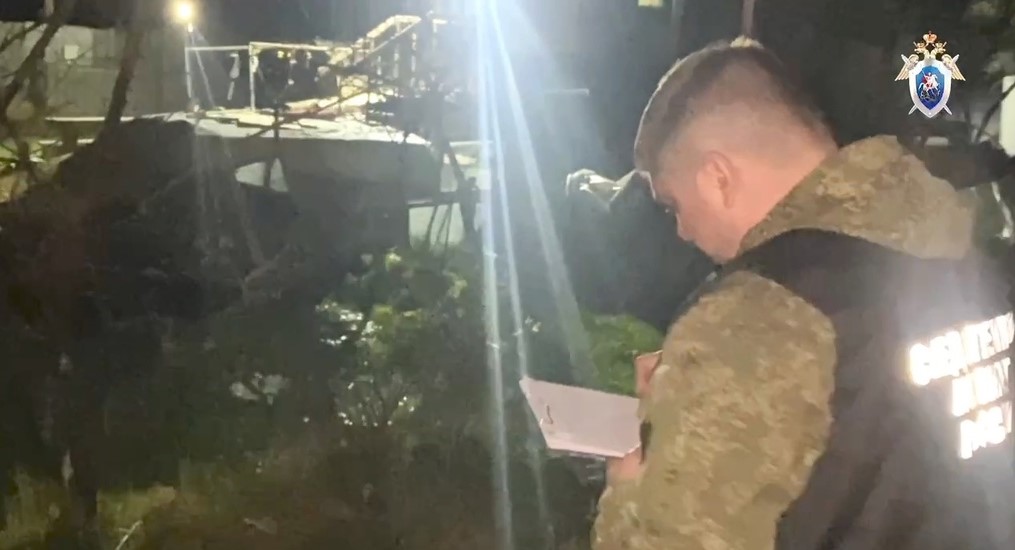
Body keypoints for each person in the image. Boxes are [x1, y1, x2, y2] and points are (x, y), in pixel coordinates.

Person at [592, 37, 1015, 549]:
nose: (682, 231)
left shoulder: (756, 313)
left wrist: (626, 489)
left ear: (718, 178)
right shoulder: (965, 250)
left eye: (674, 206)